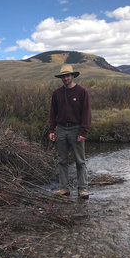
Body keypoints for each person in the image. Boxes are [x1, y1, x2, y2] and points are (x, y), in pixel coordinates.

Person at [49, 64, 91, 199]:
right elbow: (52, 113)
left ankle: (82, 189)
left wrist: (83, 132)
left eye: (68, 75)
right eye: (63, 76)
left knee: (80, 161)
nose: (65, 78)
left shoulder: (82, 92)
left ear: (73, 76)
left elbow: (86, 114)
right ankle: (64, 189)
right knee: (62, 161)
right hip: (60, 129)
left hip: (76, 129)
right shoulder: (57, 93)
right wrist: (52, 130)